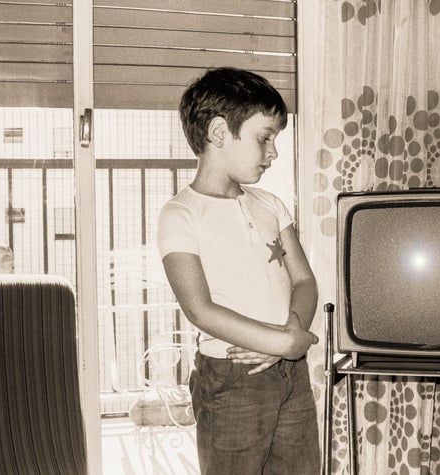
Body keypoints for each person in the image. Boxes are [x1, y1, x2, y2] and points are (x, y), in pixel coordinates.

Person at [157, 67, 320, 475]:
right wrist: (282, 343)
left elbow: (303, 280)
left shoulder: (270, 204)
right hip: (233, 378)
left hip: (291, 371)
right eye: (265, 137)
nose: (274, 152)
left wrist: (290, 334)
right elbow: (200, 310)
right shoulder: (180, 214)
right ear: (217, 133)